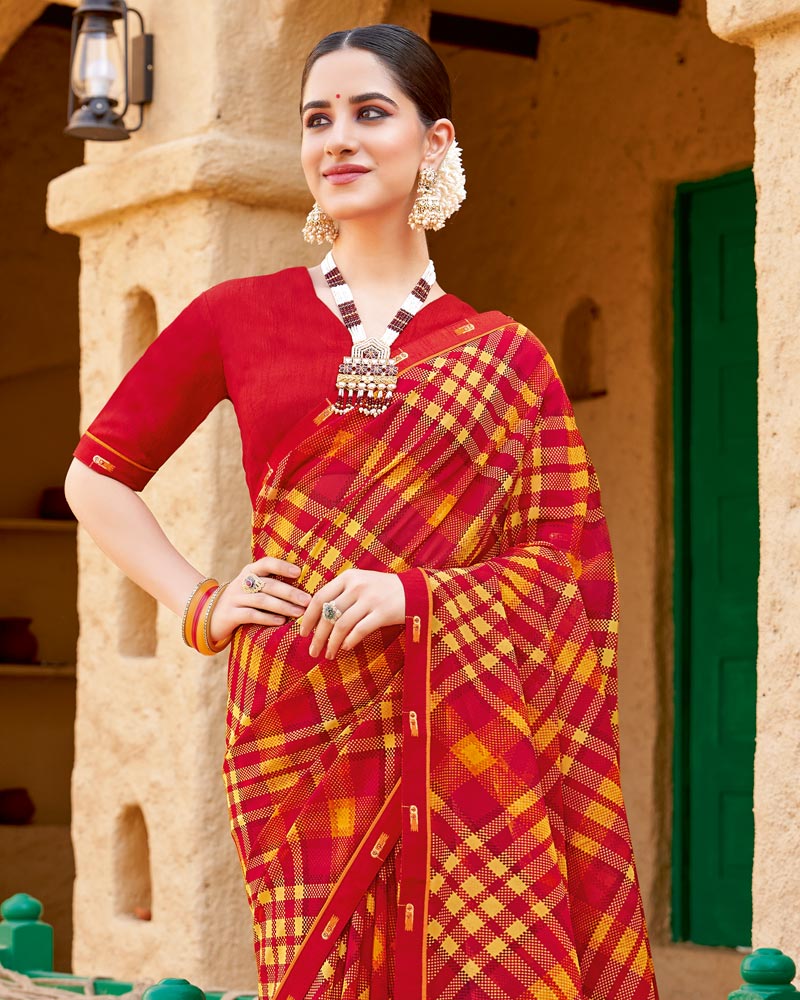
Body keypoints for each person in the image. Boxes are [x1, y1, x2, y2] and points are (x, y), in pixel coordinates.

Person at [64, 23, 660, 1000]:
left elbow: (564, 570)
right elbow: (96, 476)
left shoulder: (504, 358)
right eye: (316, 119)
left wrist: (416, 596)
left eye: (369, 112)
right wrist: (201, 603)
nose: (336, 138)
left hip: (466, 732)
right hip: (297, 716)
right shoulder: (237, 315)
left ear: (434, 141)